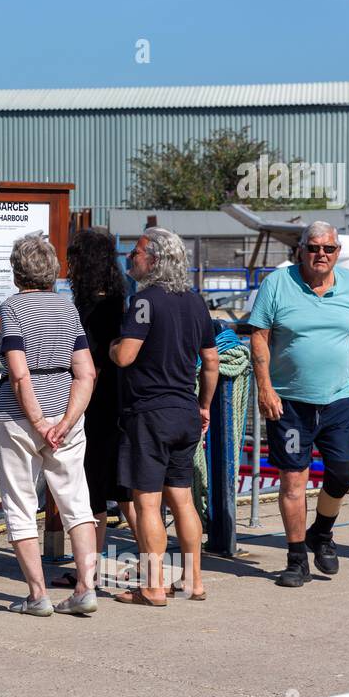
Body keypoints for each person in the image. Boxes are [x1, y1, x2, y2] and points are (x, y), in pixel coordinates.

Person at [249, 222, 349, 588]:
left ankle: (321, 532)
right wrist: (265, 388)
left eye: (328, 249)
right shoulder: (277, 284)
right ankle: (295, 560)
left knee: (342, 474)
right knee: (293, 478)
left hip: (338, 399)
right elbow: (259, 337)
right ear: (301, 249)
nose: (320, 255)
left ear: (338, 252)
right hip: (289, 401)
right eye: (313, 248)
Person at [109, 227, 218, 605]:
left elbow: (125, 356)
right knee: (183, 501)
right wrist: (204, 405)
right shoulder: (196, 302)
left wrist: (111, 347)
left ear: (154, 259)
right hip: (185, 411)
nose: (131, 258)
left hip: (149, 414)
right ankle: (195, 581)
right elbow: (211, 362)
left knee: (148, 504)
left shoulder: (143, 301)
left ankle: (153, 586)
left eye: (137, 252)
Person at [0, 232, 99, 616]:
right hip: (66, 414)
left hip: (20, 418)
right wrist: (66, 422)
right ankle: (85, 588)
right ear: (53, 271)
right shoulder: (68, 310)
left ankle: (38, 595)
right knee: (76, 501)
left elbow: (19, 374)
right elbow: (85, 373)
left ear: (17, 271)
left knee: (20, 505)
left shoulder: (12, 309)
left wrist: (38, 421)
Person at [64, 227, 136, 588]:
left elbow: (88, 356)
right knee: (118, 490)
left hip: (97, 404)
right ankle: (100, 567)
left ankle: (89, 570)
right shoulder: (118, 299)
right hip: (116, 401)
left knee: (97, 489)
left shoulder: (95, 306)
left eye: (74, 256)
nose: (69, 264)